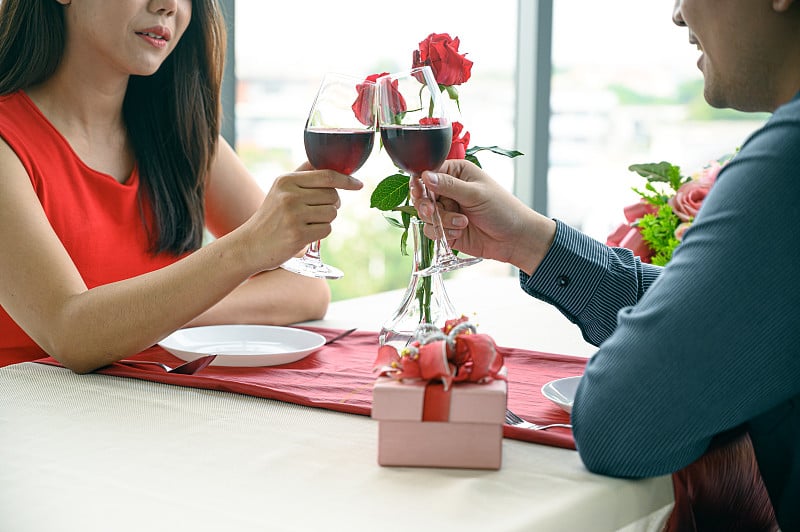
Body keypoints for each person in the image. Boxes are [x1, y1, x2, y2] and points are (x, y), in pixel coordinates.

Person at [411, 0, 799, 529]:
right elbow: (741, 319)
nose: (679, 14)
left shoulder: (789, 167)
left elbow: (624, 423)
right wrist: (534, 243)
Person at [0, 0, 363, 373]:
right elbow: (70, 333)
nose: (169, 6)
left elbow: (304, 287)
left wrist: (146, 320)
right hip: (34, 418)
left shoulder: (179, 134)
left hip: (158, 413)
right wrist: (248, 247)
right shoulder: (7, 143)